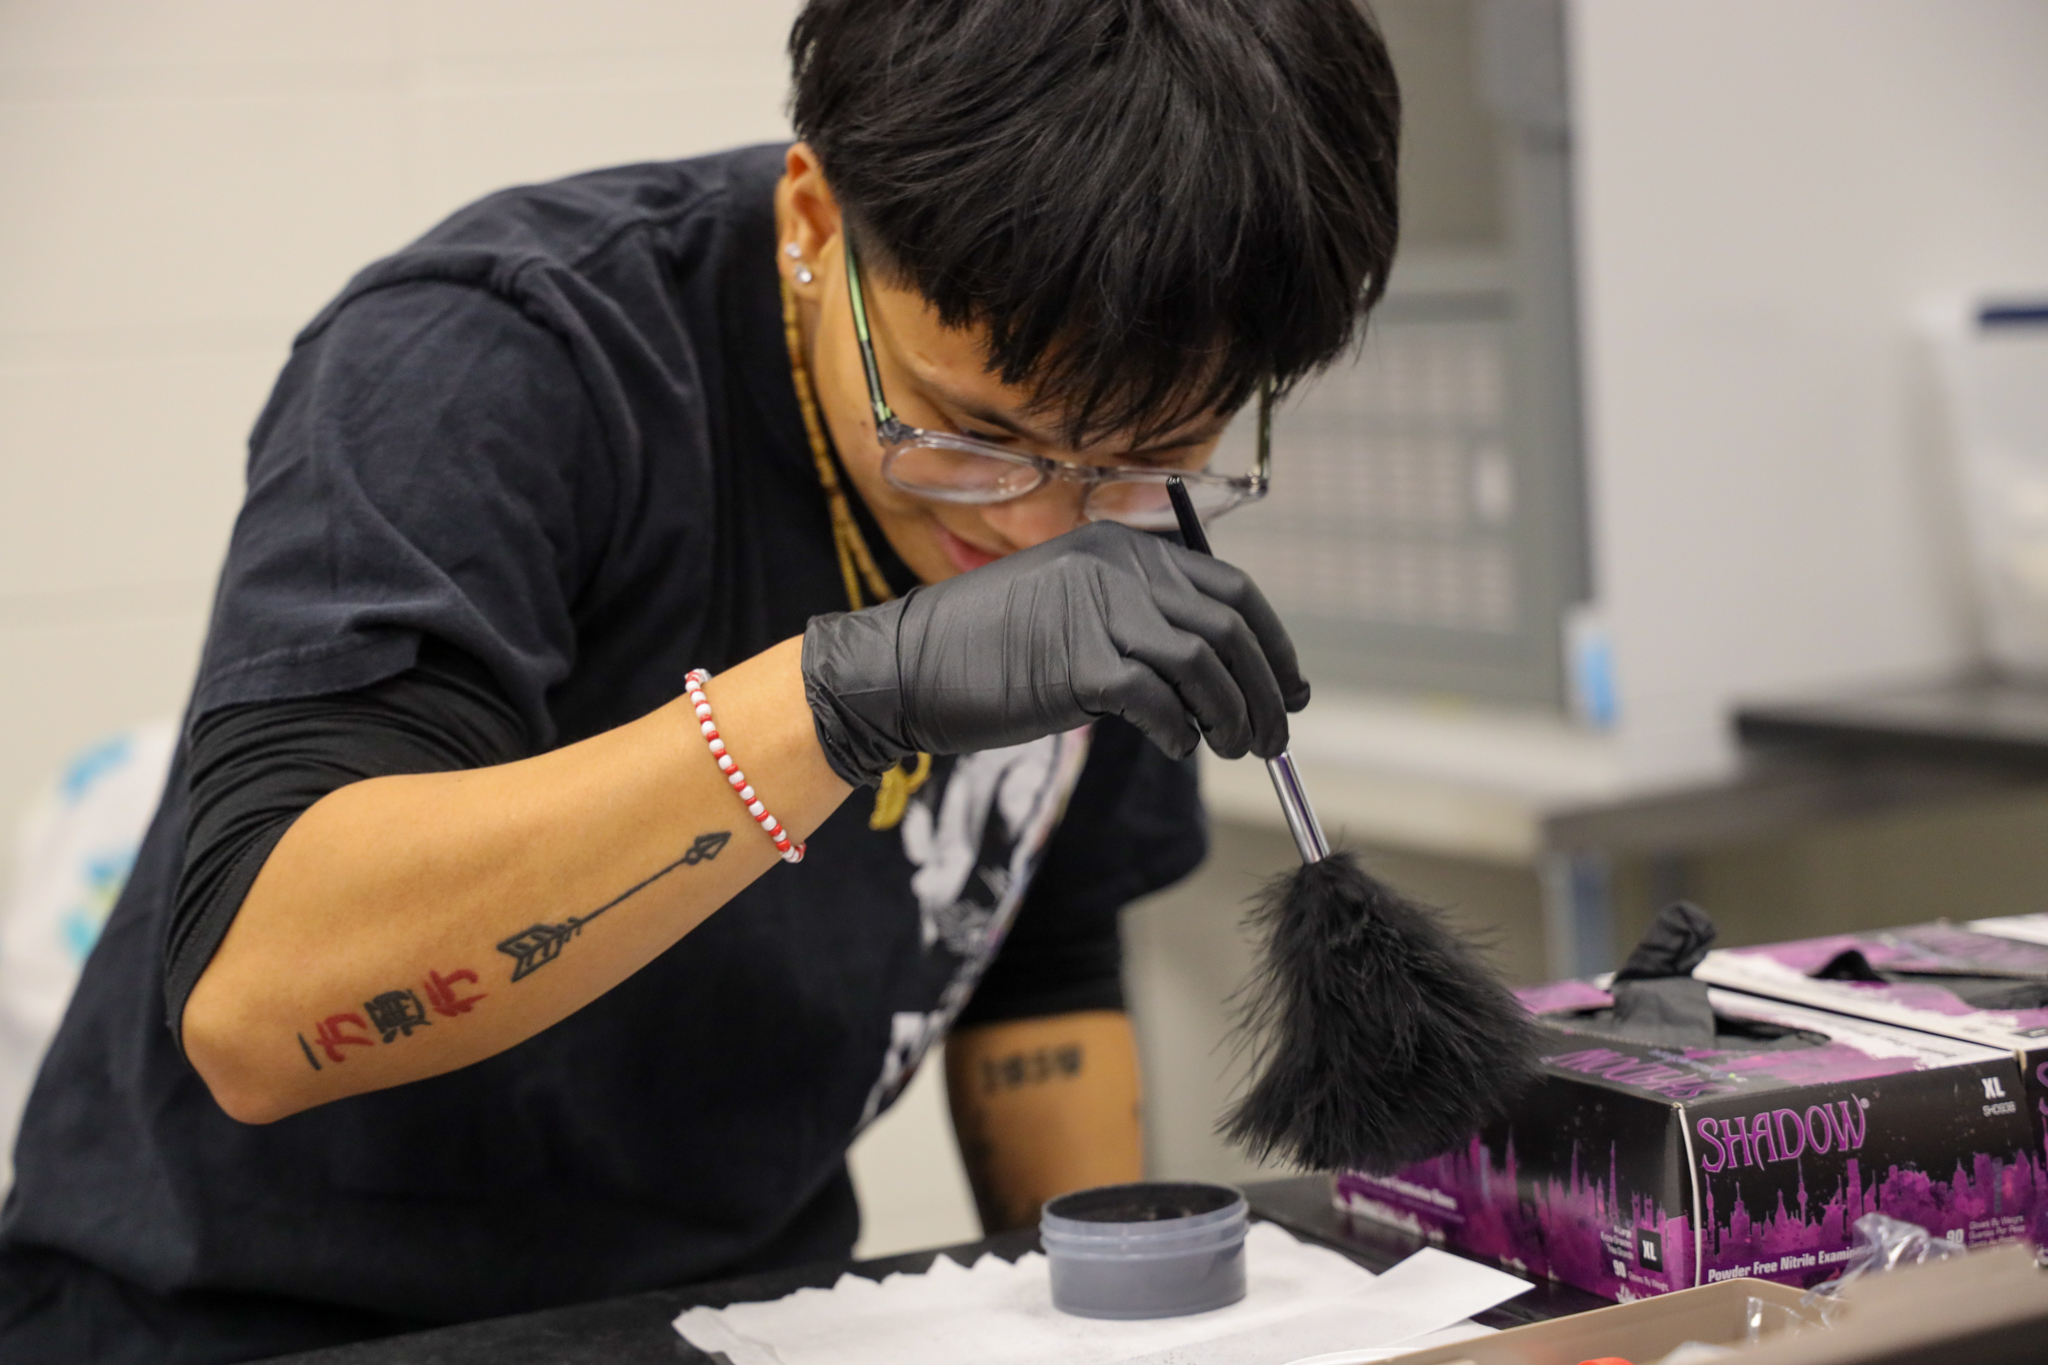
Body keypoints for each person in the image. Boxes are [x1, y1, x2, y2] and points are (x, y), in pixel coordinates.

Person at [0, 0, 1400, 1359]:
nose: (1044, 525)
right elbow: (257, 1005)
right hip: (248, 1320)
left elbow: (1038, 950)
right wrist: (848, 698)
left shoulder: (1117, 479)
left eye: (1148, 455)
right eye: (969, 435)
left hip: (737, 1320)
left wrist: (1123, 1318)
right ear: (815, 222)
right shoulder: (495, 360)